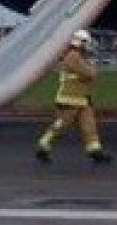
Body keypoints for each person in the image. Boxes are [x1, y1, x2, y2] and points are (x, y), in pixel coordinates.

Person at [35, 29, 112, 164]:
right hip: (69, 99)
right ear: (80, 42)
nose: (89, 45)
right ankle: (43, 145)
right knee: (61, 125)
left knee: (89, 126)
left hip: (82, 99)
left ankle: (94, 150)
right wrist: (92, 69)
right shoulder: (73, 56)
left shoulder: (79, 57)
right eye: (86, 42)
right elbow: (90, 74)